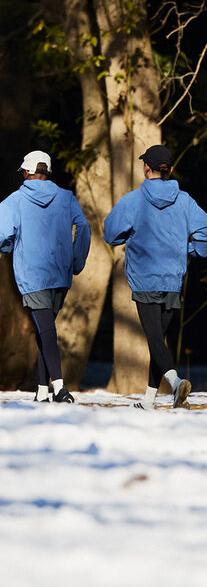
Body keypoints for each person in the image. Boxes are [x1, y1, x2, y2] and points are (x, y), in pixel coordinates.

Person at [102, 145, 207, 410]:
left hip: (144, 278)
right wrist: (187, 250)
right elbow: (206, 238)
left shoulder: (133, 200)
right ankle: (149, 400)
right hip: (173, 279)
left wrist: (128, 239)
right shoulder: (185, 200)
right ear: (171, 170)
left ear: (146, 168)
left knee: (154, 339)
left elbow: (110, 233)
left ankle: (176, 383)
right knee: (158, 339)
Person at [0, 150, 89, 402]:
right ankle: (41, 391)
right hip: (61, 274)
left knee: (46, 330)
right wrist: (76, 260)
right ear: (47, 172)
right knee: (45, 329)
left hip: (32, 275)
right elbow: (83, 226)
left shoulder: (14, 201)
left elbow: (1, 234)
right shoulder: (66, 197)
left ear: (27, 172)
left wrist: (8, 248)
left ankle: (59, 388)